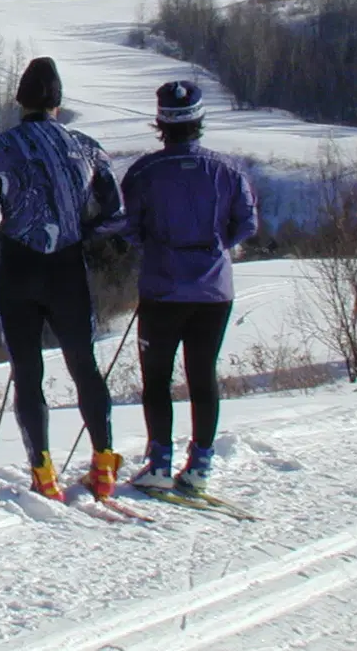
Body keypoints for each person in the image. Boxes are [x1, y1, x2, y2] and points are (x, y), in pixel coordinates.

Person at [0, 57, 126, 501]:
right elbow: (114, 213)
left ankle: (43, 472)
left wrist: (11, 243)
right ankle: (103, 465)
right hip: (68, 269)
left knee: (27, 372)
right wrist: (81, 236)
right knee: (84, 367)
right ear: (58, 101)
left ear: (20, 100)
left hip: (17, 269)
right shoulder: (87, 147)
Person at [122, 80, 259, 493]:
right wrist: (216, 246)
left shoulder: (144, 172)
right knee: (202, 376)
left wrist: (154, 246)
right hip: (213, 290)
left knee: (157, 379)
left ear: (160, 123)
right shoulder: (229, 170)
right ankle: (200, 465)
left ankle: (159, 463)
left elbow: (129, 227)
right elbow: (247, 223)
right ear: (198, 120)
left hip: (162, 289)